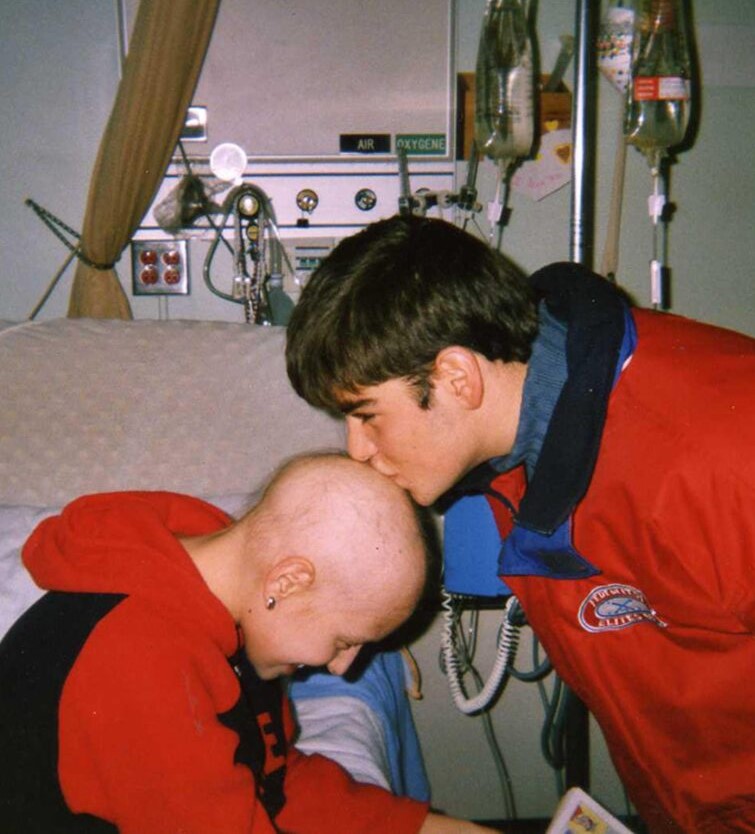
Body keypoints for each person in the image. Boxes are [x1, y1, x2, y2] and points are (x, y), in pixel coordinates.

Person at [285, 215, 755, 833]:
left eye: (367, 415)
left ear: (457, 377)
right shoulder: (515, 454)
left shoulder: (726, 454)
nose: (358, 450)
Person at [0, 452, 498, 834]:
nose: (343, 667)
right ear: (287, 582)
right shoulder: (139, 661)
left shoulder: (231, 606)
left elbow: (274, 781)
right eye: (344, 640)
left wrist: (434, 828)